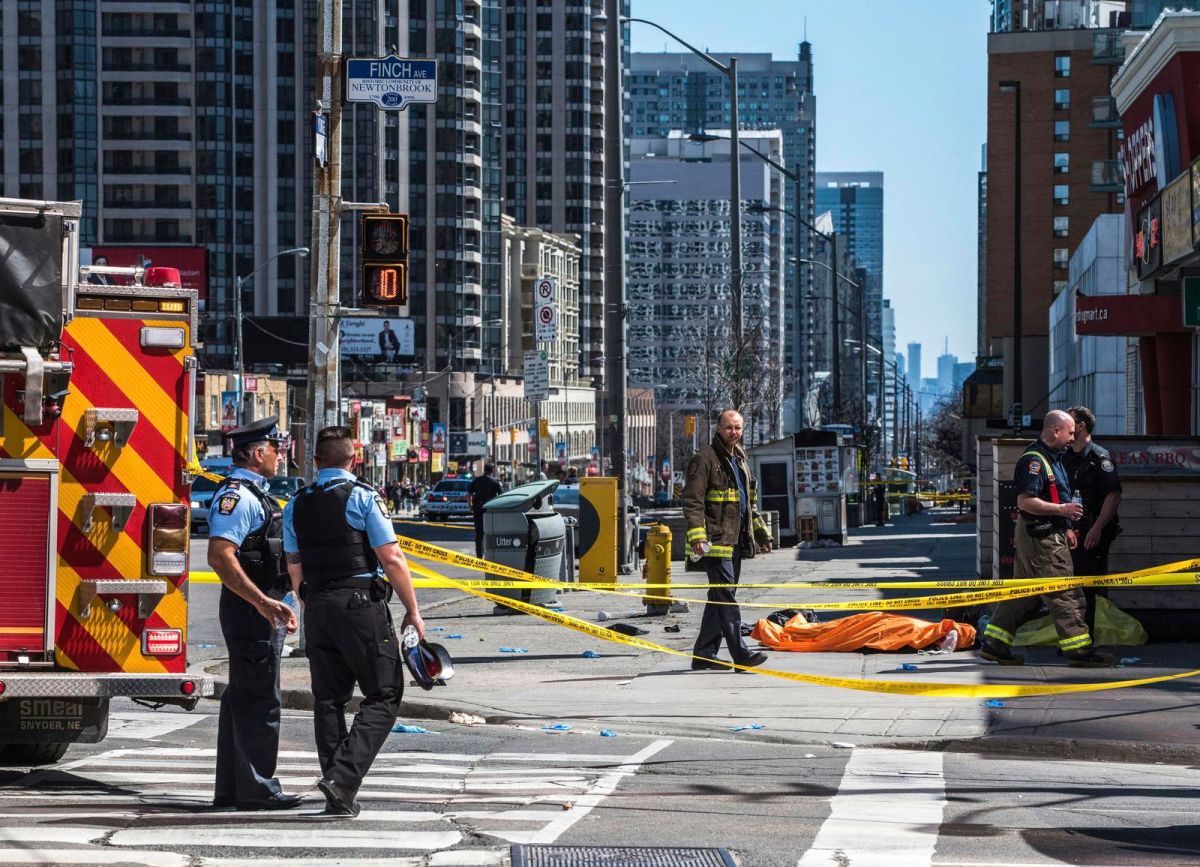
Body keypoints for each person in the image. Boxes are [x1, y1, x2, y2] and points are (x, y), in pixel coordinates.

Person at [283, 425, 425, 817]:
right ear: (353, 459)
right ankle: (342, 779)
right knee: (384, 693)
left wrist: (307, 601)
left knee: (329, 700)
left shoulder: (296, 503)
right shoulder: (363, 497)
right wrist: (413, 612)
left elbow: (294, 563)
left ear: (315, 462)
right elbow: (392, 558)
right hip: (360, 606)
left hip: (320, 606)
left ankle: (337, 787)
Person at [206, 416, 301, 811]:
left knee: (244, 696)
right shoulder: (239, 497)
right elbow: (219, 556)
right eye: (277, 448)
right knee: (260, 698)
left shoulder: (254, 493)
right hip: (252, 611)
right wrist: (262, 603)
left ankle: (235, 789)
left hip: (257, 608)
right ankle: (257, 788)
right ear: (258, 452)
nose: (281, 456)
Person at [979, 410, 1114, 667]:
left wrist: (1066, 529)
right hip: (1043, 538)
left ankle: (994, 643)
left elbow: (1053, 495)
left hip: (1042, 534)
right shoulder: (1035, 461)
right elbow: (1025, 501)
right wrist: (1063, 512)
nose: (1072, 438)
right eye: (1070, 433)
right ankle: (1080, 649)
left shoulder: (1053, 458)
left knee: (1026, 595)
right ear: (1055, 431)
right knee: (1065, 592)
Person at [681, 409, 772, 672]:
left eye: (738, 428)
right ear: (718, 428)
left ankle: (704, 655)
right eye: (729, 427)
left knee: (720, 596)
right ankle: (740, 654)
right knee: (726, 599)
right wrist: (697, 536)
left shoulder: (739, 458)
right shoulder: (704, 459)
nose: (734, 432)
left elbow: (748, 504)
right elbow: (692, 501)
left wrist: (762, 534)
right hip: (714, 542)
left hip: (735, 540)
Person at [1064, 405, 1122, 638]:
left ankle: (1085, 640)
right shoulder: (1066, 456)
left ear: (1081, 426)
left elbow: (1113, 494)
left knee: (1086, 586)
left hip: (1092, 532)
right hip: (1070, 530)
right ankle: (1072, 636)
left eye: (1070, 422)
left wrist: (1097, 528)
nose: (1066, 427)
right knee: (1068, 586)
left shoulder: (1100, 457)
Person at [467, 462, 504, 558]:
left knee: (479, 534)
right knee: (491, 533)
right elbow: (501, 497)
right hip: (491, 511)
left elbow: (468, 494)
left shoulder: (477, 480)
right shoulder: (495, 482)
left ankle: (479, 555)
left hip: (478, 510)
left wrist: (470, 505)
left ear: (484, 469)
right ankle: (491, 554)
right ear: (493, 470)